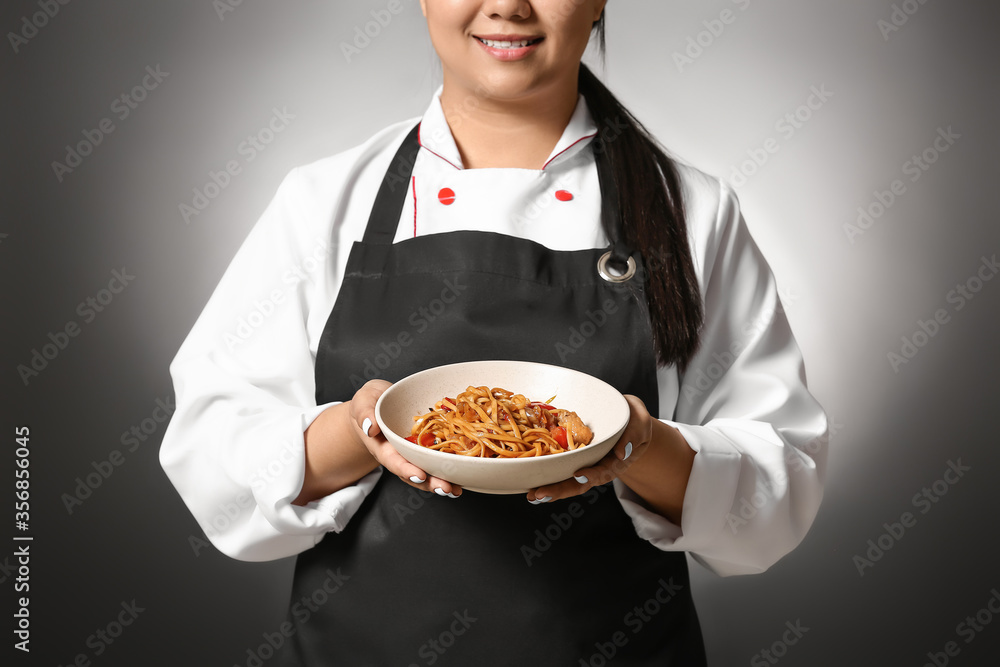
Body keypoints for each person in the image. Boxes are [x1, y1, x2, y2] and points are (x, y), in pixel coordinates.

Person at [159, 1, 829, 664]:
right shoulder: (324, 203)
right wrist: (359, 432)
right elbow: (214, 460)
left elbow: (778, 490)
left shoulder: (692, 210)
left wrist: (637, 445)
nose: (507, 5)